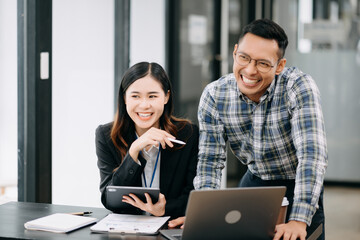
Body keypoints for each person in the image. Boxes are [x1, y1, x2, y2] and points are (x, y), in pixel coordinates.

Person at [192, 19, 328, 240]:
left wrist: (298, 220)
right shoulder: (215, 95)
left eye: (263, 63)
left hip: (298, 184)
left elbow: (312, 156)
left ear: (279, 66)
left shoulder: (298, 86)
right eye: (244, 57)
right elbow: (210, 161)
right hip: (255, 182)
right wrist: (203, 216)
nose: (250, 70)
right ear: (235, 52)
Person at [95, 62, 199, 219]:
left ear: (166, 97)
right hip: (127, 229)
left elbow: (195, 195)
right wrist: (133, 152)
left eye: (152, 96)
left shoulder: (188, 134)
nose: (144, 105)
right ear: (125, 98)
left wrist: (165, 209)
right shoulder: (106, 136)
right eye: (135, 96)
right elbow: (109, 199)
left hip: (169, 225)